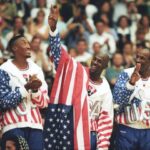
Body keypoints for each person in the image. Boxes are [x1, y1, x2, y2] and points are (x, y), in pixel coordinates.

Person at [46, 6, 113, 150]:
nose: (95, 62)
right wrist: (53, 30)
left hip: (91, 135)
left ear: (105, 66)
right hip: (71, 130)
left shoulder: (105, 87)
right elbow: (59, 57)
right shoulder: (78, 72)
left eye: (99, 62)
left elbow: (105, 119)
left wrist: (102, 147)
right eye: (94, 59)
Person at [0, 35, 49, 150]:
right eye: (24, 43)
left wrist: (36, 90)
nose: (28, 46)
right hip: (12, 126)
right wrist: (26, 87)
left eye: (28, 43)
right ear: (14, 48)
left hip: (36, 126)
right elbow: (3, 102)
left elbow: (44, 103)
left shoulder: (36, 69)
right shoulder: (4, 70)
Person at [113, 48, 150, 150]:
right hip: (127, 128)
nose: (138, 60)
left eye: (142, 58)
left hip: (147, 131)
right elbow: (117, 100)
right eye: (137, 57)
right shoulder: (126, 73)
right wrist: (131, 83)